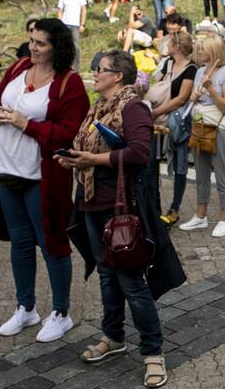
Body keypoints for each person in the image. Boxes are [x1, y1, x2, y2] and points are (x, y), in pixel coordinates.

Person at [61, 51, 182, 389]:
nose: (94, 74)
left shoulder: (133, 108)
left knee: (131, 281)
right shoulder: (97, 107)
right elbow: (87, 146)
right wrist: (75, 160)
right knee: (106, 275)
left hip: (120, 210)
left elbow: (141, 154)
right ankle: (113, 337)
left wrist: (94, 159)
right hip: (90, 202)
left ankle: (153, 352)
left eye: (100, 70)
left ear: (118, 76)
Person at [0, 18, 89, 340]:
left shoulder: (68, 83)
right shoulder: (18, 68)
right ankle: (26, 309)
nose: (33, 47)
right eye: (32, 40)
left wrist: (23, 123)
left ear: (56, 47)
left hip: (42, 176)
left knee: (52, 243)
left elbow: (69, 134)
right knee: (19, 243)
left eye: (40, 43)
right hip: (7, 169)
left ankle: (61, 312)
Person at [179, 34, 225, 238]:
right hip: (200, 124)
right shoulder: (201, 71)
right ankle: (200, 215)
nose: (200, 52)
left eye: (203, 49)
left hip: (219, 127)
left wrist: (210, 88)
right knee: (201, 172)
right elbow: (200, 97)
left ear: (213, 51)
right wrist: (195, 97)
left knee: (222, 173)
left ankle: (224, 218)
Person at [151, 31, 196, 226]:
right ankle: (154, 205)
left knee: (179, 164)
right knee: (152, 161)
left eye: (170, 42)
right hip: (159, 119)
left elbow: (182, 98)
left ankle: (175, 207)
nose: (166, 45)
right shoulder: (168, 63)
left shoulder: (191, 69)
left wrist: (157, 111)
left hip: (177, 121)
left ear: (176, 46)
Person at [56, 0, 88, 71]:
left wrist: (82, 24)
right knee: (63, 46)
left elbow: (84, 10)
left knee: (75, 47)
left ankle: (75, 69)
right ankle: (63, 66)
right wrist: (59, 23)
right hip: (64, 24)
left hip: (75, 24)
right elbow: (60, 11)